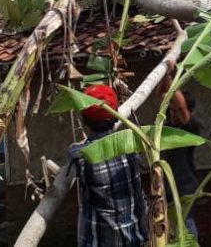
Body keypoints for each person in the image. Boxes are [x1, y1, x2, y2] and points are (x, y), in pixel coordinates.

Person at [69, 84, 148, 247]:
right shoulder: (131, 148)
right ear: (115, 115)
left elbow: (74, 151)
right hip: (135, 239)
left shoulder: (83, 156)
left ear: (84, 120)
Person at [159, 76, 201, 238]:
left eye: (175, 110)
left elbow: (181, 105)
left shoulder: (190, 127)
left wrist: (171, 79)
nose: (172, 113)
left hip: (185, 187)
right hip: (166, 186)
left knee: (186, 224)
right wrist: (165, 75)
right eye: (171, 109)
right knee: (171, 228)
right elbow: (161, 94)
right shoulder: (168, 127)